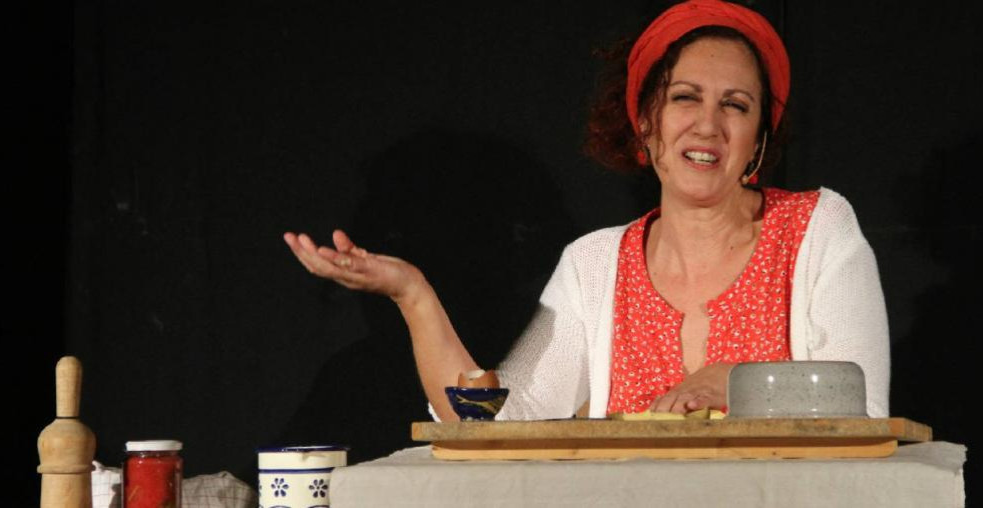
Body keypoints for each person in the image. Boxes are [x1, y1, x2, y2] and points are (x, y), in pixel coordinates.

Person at [284, 0, 889, 422]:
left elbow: (863, 408)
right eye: (685, 98)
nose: (708, 125)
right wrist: (413, 295)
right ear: (646, 122)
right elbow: (496, 423)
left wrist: (738, 382)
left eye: (736, 105)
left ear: (758, 139)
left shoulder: (818, 229)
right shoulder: (596, 265)